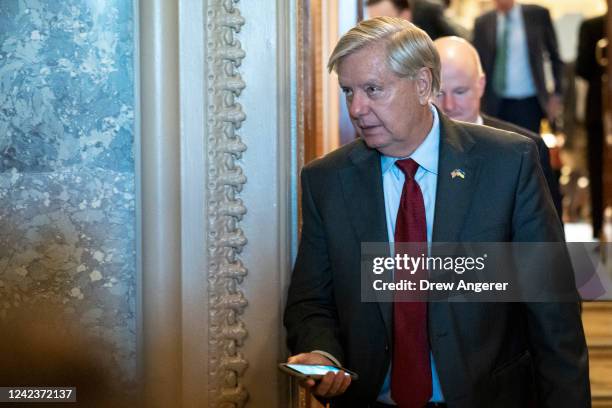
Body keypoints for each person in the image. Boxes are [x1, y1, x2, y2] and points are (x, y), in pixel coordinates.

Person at [284, 17, 589, 408]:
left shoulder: (507, 163)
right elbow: (310, 302)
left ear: (423, 84)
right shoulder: (326, 180)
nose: (357, 108)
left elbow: (552, 308)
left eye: (373, 90)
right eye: (348, 91)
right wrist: (322, 352)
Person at [433, 36, 562, 220]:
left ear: (481, 85)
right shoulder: (406, 147)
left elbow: (548, 238)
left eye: (460, 92)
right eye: (438, 93)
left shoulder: (524, 149)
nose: (449, 105)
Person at [472, 0, 563, 133]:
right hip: (495, 104)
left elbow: (555, 56)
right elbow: (477, 63)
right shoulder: (482, 22)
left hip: (529, 101)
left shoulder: (537, 15)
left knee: (530, 147)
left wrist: (557, 94)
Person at [576, 14, 606, 238]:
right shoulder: (591, 26)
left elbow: (582, 69)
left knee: (597, 167)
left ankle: (597, 225)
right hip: (599, 105)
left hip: (598, 104)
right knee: (596, 167)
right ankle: (597, 225)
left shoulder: (591, 26)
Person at [366, 0, 463, 40]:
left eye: (385, 22)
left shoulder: (429, 13)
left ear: (405, 16)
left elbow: (459, 39)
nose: (379, 30)